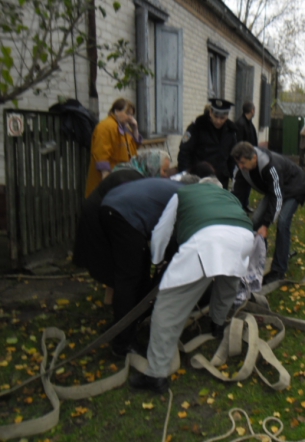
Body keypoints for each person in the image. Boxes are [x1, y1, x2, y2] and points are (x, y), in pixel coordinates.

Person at [129, 178, 255, 394]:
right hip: (244, 238)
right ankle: (217, 324)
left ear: (198, 185)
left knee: (167, 308)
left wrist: (157, 261)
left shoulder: (183, 194)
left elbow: (161, 230)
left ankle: (156, 374)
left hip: (207, 241)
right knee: (227, 283)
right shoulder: (229, 196)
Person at [100, 177, 185, 356]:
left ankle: (127, 324)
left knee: (139, 273)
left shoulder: (175, 186)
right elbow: (166, 234)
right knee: (130, 279)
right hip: (125, 216)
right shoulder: (185, 196)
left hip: (111, 205)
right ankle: (123, 343)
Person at [73, 149, 171, 289]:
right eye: (164, 171)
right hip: (98, 221)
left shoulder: (130, 173)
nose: (165, 176)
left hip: (102, 217)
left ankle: (112, 299)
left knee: (117, 264)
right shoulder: (130, 178)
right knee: (118, 264)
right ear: (152, 166)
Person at [232, 142, 305, 284]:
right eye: (238, 163)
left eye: (243, 163)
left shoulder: (270, 166)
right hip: (276, 189)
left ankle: (279, 270)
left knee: (283, 222)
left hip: (295, 186)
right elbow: (237, 194)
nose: (240, 167)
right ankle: (259, 260)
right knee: (255, 222)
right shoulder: (242, 168)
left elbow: (277, 197)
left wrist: (266, 225)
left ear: (254, 158)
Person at [85, 98, 143, 197]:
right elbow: (101, 155)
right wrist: (107, 182)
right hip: (108, 181)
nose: (130, 118)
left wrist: (135, 129)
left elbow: (134, 147)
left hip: (122, 179)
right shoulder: (106, 127)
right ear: (116, 111)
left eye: (132, 115)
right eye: (127, 113)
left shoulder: (125, 128)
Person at [177, 98, 237, 189]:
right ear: (210, 113)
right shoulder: (198, 126)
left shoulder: (231, 131)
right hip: (200, 178)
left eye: (222, 118)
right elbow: (185, 152)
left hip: (221, 179)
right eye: (215, 116)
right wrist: (186, 176)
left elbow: (232, 157)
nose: (218, 121)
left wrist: (234, 176)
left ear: (227, 116)